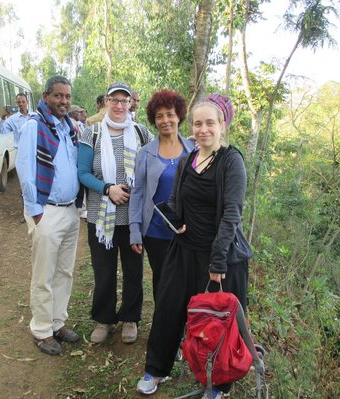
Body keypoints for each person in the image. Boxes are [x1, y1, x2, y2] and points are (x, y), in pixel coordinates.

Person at [136, 94, 251, 397]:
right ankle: (156, 369)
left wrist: (217, 263)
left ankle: (219, 383)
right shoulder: (188, 158)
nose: (203, 129)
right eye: (197, 123)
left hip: (220, 258)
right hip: (184, 250)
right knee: (168, 310)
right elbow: (175, 200)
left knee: (219, 323)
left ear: (222, 125)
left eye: (209, 123)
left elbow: (231, 214)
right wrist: (175, 220)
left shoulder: (231, 161)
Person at [78, 82, 153, 345]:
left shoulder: (142, 133)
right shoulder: (93, 133)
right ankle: (104, 319)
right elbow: (83, 172)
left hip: (133, 218)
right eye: (114, 100)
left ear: (131, 103)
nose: (120, 105)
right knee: (104, 270)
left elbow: (155, 163)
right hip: (101, 216)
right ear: (106, 102)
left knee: (133, 270)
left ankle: (130, 318)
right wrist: (107, 188)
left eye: (125, 100)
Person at [16, 75, 82, 356]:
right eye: (58, 96)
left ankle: (57, 322)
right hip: (47, 211)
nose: (63, 101)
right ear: (46, 97)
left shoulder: (70, 128)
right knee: (44, 274)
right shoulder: (35, 126)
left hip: (70, 211)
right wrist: (35, 212)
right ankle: (42, 330)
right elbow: (24, 169)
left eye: (67, 97)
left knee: (64, 271)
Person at [129, 90, 194, 302]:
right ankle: (163, 331)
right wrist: (134, 230)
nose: (165, 120)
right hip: (156, 232)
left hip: (189, 231)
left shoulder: (193, 150)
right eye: (159, 116)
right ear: (154, 120)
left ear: (179, 116)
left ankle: (185, 331)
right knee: (162, 283)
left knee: (187, 282)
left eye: (169, 114)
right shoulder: (146, 153)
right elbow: (137, 192)